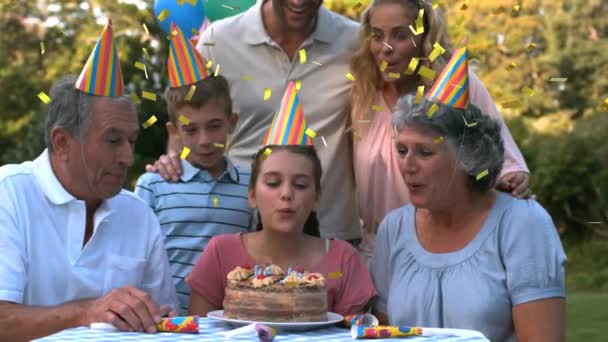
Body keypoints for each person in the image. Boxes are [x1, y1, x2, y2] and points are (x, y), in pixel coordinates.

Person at [0, 23, 178, 341]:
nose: (127, 156)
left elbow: (166, 322)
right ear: (62, 143)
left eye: (131, 140)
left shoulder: (139, 215)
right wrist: (87, 312)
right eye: (113, 140)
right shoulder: (9, 193)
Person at [147, 0, 363, 244]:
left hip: (332, 236)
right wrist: (172, 162)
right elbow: (187, 119)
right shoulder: (219, 41)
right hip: (239, 236)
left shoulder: (355, 41)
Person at [370, 94, 566, 341]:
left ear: (470, 158)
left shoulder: (523, 223)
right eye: (401, 150)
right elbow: (383, 332)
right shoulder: (393, 228)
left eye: (425, 152)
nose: (407, 165)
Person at [350, 0, 531, 259]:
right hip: (377, 255)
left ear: (424, 38)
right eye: (377, 36)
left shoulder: (459, 86)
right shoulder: (362, 96)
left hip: (449, 250)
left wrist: (513, 179)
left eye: (400, 35)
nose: (385, 48)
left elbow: (505, 163)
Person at [186, 83, 376, 317]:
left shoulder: (343, 259)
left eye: (300, 185)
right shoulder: (220, 253)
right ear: (252, 195)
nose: (286, 194)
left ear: (317, 198)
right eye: (273, 183)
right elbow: (198, 330)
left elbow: (355, 334)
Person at [135, 24, 254, 315]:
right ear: (174, 131)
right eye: (190, 129)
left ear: (232, 122)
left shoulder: (251, 185)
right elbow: (133, 257)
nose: (204, 140)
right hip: (166, 324)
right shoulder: (153, 185)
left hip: (230, 324)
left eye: (214, 126)